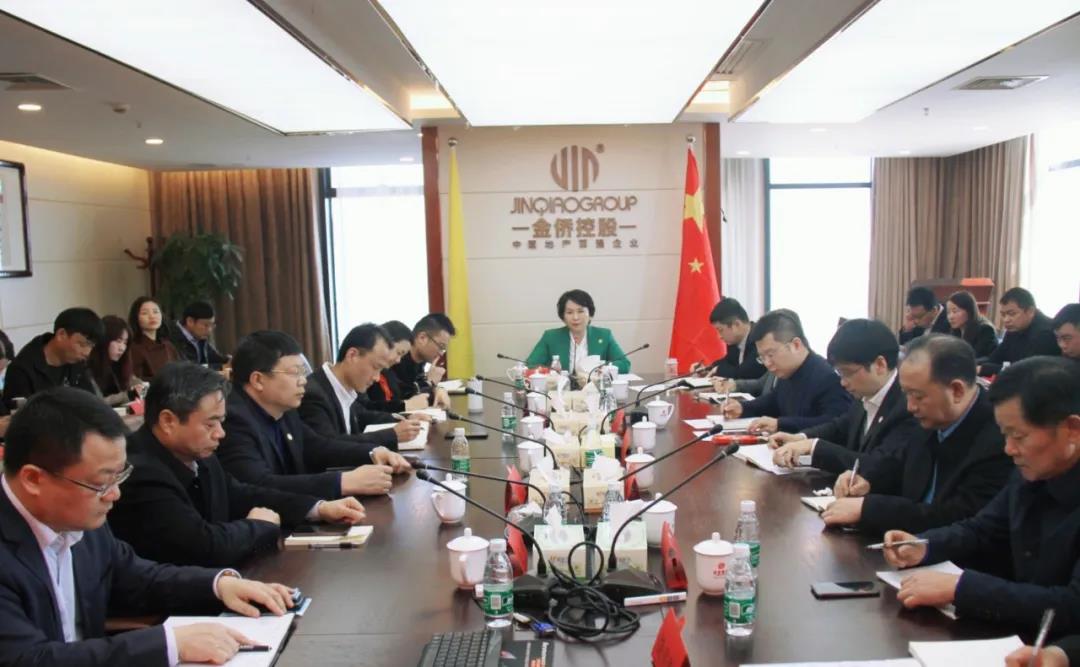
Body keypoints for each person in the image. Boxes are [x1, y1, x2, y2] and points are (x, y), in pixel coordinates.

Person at [0, 387, 298, 666]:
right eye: (101, 483)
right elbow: (28, 659)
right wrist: (169, 644)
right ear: (33, 479)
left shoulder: (77, 517)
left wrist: (219, 585)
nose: (114, 494)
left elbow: (136, 577)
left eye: (118, 477)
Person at [882, 357, 1080, 635]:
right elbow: (982, 528)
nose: (1009, 449)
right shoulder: (1031, 472)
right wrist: (925, 545)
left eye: (1019, 436)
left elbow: (1072, 605)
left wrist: (962, 589)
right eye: (1005, 435)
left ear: (1072, 429)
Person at [109, 362, 366, 568]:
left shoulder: (197, 451)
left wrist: (317, 508)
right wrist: (258, 526)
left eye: (221, 422)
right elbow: (203, 546)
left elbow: (241, 494)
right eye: (210, 424)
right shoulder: (139, 472)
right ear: (168, 421)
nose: (220, 433)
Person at [824, 334, 1012, 534]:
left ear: (957, 390)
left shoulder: (999, 436)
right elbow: (899, 462)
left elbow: (958, 516)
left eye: (918, 396)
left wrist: (869, 509)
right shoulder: (931, 417)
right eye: (906, 394)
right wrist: (867, 480)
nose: (910, 406)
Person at [215, 330, 411, 499]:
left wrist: (373, 452)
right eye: (295, 373)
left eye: (303, 372)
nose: (303, 381)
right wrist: (341, 482)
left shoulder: (283, 410)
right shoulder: (231, 420)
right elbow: (258, 484)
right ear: (258, 380)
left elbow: (317, 446)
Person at [769, 319, 924, 474]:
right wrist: (801, 438)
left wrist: (814, 447)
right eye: (840, 373)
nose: (843, 382)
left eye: (848, 373)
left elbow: (878, 465)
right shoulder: (864, 394)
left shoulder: (907, 406)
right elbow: (840, 427)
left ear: (879, 365)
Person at [721, 310, 853, 434]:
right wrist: (742, 408)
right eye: (762, 357)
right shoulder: (788, 372)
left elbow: (834, 425)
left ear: (796, 345)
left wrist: (780, 424)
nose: (767, 363)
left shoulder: (828, 377)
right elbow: (774, 400)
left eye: (770, 355)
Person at [299, 324, 423, 449]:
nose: (377, 378)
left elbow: (362, 416)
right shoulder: (313, 394)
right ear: (352, 355)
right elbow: (328, 446)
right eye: (376, 367)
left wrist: (405, 418)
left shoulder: (345, 387)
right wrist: (392, 435)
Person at [3, 307, 102, 407]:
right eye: (82, 344)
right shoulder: (22, 369)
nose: (87, 352)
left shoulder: (77, 362)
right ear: (61, 334)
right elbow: (19, 414)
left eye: (91, 346)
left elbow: (92, 403)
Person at [525, 289, 631, 374]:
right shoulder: (551, 337)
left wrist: (604, 368)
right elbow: (530, 365)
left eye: (580, 311)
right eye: (569, 312)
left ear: (590, 314)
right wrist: (552, 372)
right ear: (563, 317)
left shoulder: (604, 335)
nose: (575, 317)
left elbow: (624, 364)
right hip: (560, 390)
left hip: (595, 390)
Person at [977, 287, 1059, 376]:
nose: (1006, 320)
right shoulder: (1014, 328)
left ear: (1030, 311)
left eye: (1012, 314)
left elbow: (1025, 370)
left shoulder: (1045, 334)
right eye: (1003, 315)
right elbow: (995, 357)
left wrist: (985, 369)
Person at [390, 313, 456, 409]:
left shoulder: (420, 361)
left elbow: (418, 388)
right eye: (441, 346)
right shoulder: (397, 360)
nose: (441, 353)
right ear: (422, 338)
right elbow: (403, 398)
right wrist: (430, 383)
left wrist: (437, 389)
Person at [698, 297, 766, 380]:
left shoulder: (759, 339)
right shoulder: (734, 342)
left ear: (736, 324)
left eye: (720, 330)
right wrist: (707, 369)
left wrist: (718, 370)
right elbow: (727, 362)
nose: (719, 336)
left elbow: (744, 374)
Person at [87, 315, 146, 407]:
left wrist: (142, 387)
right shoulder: (88, 367)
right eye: (118, 341)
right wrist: (127, 395)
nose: (122, 348)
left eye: (125, 343)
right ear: (104, 340)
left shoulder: (119, 364)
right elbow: (96, 403)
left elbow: (135, 382)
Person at [127, 297, 180, 380]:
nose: (152, 316)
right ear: (136, 318)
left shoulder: (168, 345)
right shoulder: (134, 348)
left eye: (155, 312)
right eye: (145, 313)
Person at [168, 301, 230, 369]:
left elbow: (215, 358)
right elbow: (189, 369)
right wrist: (221, 366)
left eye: (212, 325)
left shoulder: (198, 336)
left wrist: (230, 360)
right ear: (190, 321)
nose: (209, 330)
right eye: (205, 325)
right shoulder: (172, 338)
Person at [944, 290, 997, 357]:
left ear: (969, 311)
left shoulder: (985, 330)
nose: (950, 317)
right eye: (948, 312)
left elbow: (977, 357)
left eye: (955, 311)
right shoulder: (955, 331)